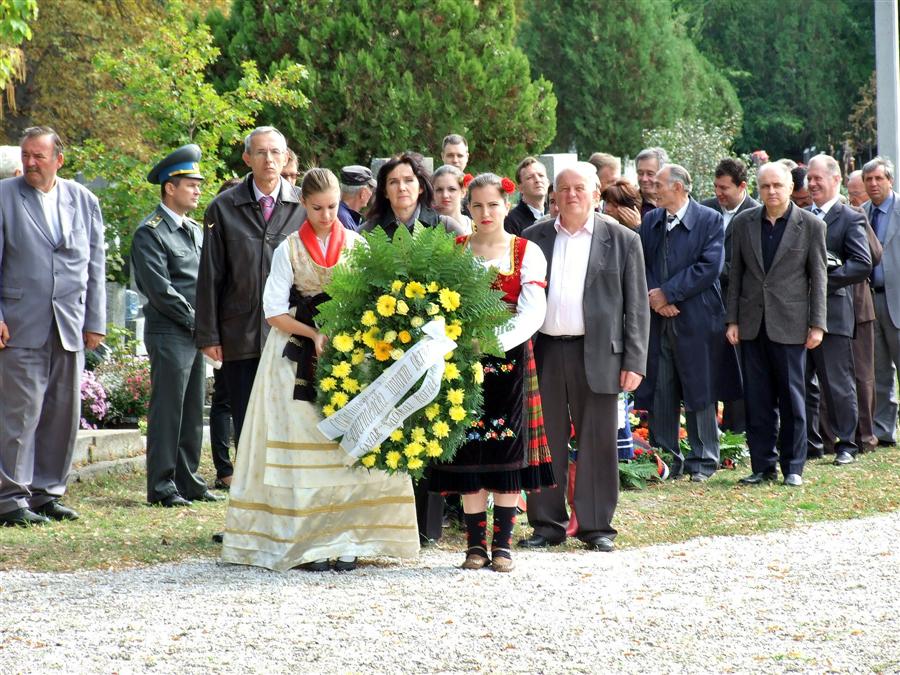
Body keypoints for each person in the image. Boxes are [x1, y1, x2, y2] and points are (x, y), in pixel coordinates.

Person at [220, 168, 418, 571]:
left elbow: (374, 299)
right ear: (303, 205)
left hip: (354, 350)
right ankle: (308, 540)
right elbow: (273, 311)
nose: (326, 216)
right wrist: (313, 333)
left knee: (351, 443)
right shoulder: (289, 249)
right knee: (302, 447)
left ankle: (349, 539)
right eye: (317, 208)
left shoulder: (357, 245)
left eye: (331, 207)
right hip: (296, 350)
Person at [520, 162, 650, 552]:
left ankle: (596, 527)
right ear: (554, 196)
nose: (571, 195)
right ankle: (547, 524)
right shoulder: (533, 237)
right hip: (544, 352)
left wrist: (635, 361)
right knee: (544, 440)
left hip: (600, 354)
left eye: (580, 188)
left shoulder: (623, 239)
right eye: (564, 189)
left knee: (598, 442)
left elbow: (637, 306)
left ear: (596, 194)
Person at [430, 173, 553, 572]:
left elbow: (532, 313)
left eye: (493, 205)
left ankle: (502, 546)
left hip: (510, 361)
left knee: (506, 449)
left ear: (506, 205)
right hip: (462, 359)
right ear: (468, 207)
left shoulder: (526, 251)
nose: (485, 213)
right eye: (478, 205)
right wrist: (461, 342)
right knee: (469, 448)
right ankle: (474, 546)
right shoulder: (455, 251)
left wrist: (491, 341)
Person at [0, 126, 106, 526]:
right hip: (20, 324)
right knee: (19, 415)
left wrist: (95, 320)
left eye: (38, 156)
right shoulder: (4, 196)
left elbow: (95, 264)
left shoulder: (85, 200)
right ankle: (10, 498)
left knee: (62, 414)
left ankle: (47, 493)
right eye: (26, 155)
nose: (30, 163)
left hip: (70, 325)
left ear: (59, 160)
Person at [195, 126, 307, 448]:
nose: (268, 159)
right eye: (260, 152)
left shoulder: (304, 205)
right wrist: (209, 336)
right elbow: (210, 275)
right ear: (247, 158)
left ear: (285, 158)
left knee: (289, 425)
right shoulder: (222, 208)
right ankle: (247, 479)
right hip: (240, 336)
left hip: (292, 335)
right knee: (247, 426)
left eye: (275, 152)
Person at [636, 164, 739, 482]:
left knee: (699, 387)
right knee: (661, 387)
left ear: (678, 188)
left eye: (659, 184)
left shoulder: (709, 219)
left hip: (697, 317)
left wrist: (668, 293)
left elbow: (709, 267)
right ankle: (666, 458)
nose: (653, 188)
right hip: (659, 318)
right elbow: (641, 261)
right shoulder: (651, 220)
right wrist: (655, 296)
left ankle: (704, 459)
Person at [726, 162, 827, 487]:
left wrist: (817, 324)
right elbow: (736, 274)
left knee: (792, 398)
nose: (771, 191)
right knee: (757, 399)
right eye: (765, 186)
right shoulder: (743, 223)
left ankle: (793, 466)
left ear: (790, 187)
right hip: (752, 324)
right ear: (758, 188)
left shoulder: (810, 225)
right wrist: (732, 319)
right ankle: (763, 465)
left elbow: (819, 278)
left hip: (791, 324)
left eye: (777, 185)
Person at [131, 145, 220, 507]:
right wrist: (199, 322)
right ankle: (162, 485)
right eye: (191, 185)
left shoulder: (194, 230)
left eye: (199, 184)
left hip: (194, 332)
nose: (198, 190)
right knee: (168, 410)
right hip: (170, 331)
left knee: (192, 409)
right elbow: (160, 290)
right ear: (170, 187)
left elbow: (205, 282)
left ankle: (188, 480)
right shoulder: (150, 232)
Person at [803, 154, 871, 465]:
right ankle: (810, 442)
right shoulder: (800, 215)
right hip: (796, 313)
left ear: (835, 180)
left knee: (837, 382)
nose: (812, 183)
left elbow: (862, 263)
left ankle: (848, 443)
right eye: (809, 178)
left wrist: (822, 282)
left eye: (818, 178)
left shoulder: (850, 217)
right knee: (802, 381)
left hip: (833, 312)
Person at [700, 158, 759, 433]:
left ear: (742, 186)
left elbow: (750, 265)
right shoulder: (706, 209)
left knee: (737, 370)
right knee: (707, 370)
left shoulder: (755, 214)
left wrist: (708, 268)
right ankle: (708, 429)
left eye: (724, 188)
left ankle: (737, 431)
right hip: (705, 304)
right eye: (716, 187)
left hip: (739, 305)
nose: (719, 193)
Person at [207, 177, 242, 491]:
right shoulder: (218, 229)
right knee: (224, 399)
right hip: (228, 329)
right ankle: (224, 468)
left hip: (253, 328)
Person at [863, 157, 900, 445]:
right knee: (878, 371)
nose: (873, 184)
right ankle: (884, 430)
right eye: (869, 179)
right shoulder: (860, 213)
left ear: (890, 180)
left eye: (879, 178)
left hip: (897, 299)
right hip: (870, 301)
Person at [361, 152, 465, 238]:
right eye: (393, 182)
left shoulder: (447, 227)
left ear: (421, 187)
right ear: (385, 192)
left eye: (408, 180)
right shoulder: (368, 232)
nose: (402, 188)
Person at [504, 156, 548, 236]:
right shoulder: (511, 221)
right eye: (530, 177)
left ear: (548, 182)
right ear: (520, 188)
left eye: (541, 175)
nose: (538, 180)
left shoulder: (556, 213)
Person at [431, 164, 472, 234]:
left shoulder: (476, 228)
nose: (445, 195)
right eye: (439, 190)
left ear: (463, 192)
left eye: (452, 189)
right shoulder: (426, 227)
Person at [338, 165, 375, 231]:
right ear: (363, 193)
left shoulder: (340, 214)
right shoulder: (346, 223)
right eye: (371, 188)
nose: (371, 193)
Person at [635, 147, 669, 216]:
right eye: (640, 173)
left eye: (650, 174)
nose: (644, 179)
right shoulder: (631, 204)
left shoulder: (673, 203)